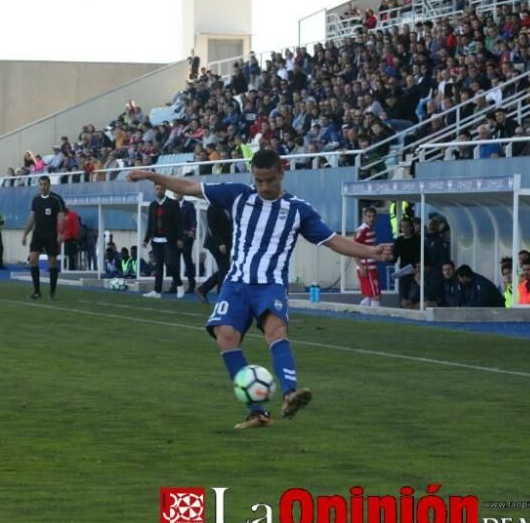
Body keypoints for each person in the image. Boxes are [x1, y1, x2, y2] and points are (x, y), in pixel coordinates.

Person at [128, 148, 393, 430]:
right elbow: (191, 187)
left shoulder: (298, 210)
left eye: (270, 180)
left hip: (270, 283)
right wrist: (151, 174)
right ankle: (258, 412)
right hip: (237, 282)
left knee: (276, 330)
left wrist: (371, 251)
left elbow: (331, 239)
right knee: (225, 337)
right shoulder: (238, 195)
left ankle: (291, 392)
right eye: (259, 181)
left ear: (281, 173)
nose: (264, 186)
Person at [21, 175, 66, 299]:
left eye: (45, 184)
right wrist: (25, 234)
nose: (43, 187)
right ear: (38, 185)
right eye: (41, 184)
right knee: (33, 259)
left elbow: (61, 217)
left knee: (52, 262)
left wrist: (61, 233)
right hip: (38, 233)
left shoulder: (56, 199)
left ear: (49, 185)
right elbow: (32, 217)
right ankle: (37, 291)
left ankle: (52, 292)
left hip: (51, 234)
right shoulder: (36, 199)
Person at [142, 184, 184, 299]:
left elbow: (179, 223)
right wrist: (146, 240)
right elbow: (150, 224)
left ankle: (179, 285)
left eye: (161, 189)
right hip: (156, 240)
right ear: (154, 190)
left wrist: (180, 238)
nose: (159, 191)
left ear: (165, 190)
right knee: (158, 266)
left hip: (169, 240)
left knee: (170, 264)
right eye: (157, 189)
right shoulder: (152, 205)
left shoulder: (173, 204)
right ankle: (157, 291)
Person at [195, 202, 232, 305]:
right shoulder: (213, 207)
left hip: (226, 243)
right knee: (224, 267)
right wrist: (219, 243)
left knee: (224, 268)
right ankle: (221, 296)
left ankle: (203, 289)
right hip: (216, 244)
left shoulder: (227, 206)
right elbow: (212, 228)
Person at [390, 218, 420, 308]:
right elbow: (394, 257)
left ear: (411, 227)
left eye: (407, 226)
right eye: (402, 226)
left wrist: (418, 267)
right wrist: (388, 257)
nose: (405, 229)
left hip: (416, 271)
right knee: (403, 297)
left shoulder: (417, 240)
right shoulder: (399, 240)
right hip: (404, 271)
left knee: (414, 295)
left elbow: (420, 255)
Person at [354, 206, 382, 306]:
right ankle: (377, 319)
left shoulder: (370, 229)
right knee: (376, 296)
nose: (371, 219)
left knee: (369, 296)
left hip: (371, 266)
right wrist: (361, 267)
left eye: (373, 216)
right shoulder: (362, 230)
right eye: (369, 216)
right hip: (367, 268)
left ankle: (360, 313)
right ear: (364, 216)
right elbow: (353, 250)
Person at [177, 192, 197, 293]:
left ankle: (192, 284)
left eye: (178, 192)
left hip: (186, 237)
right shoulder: (172, 205)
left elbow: (193, 220)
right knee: (174, 262)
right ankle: (175, 285)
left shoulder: (189, 205)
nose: (176, 194)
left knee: (187, 260)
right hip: (175, 238)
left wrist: (192, 231)